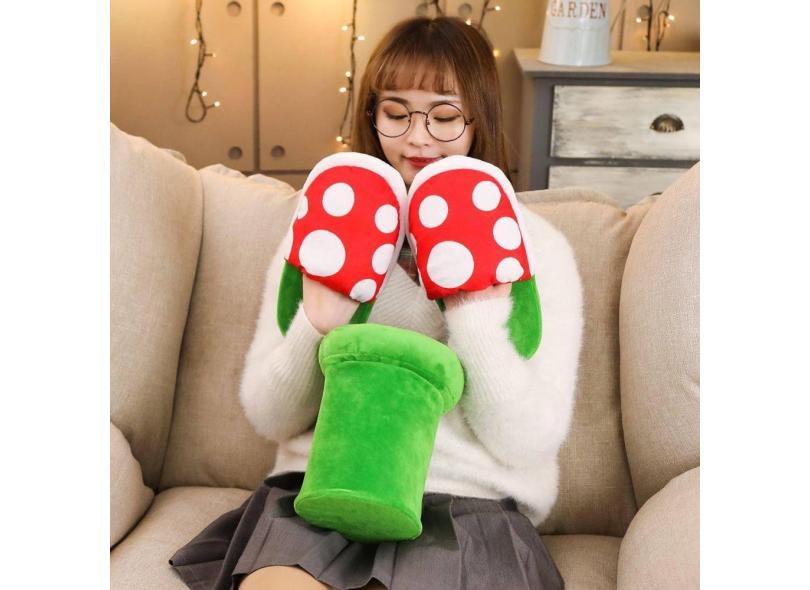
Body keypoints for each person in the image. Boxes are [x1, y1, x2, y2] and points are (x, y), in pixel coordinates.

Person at [169, 15, 583, 590]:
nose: (417, 138)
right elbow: (269, 416)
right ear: (372, 116)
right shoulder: (325, 231)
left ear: (479, 119)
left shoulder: (537, 248)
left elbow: (528, 442)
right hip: (325, 489)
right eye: (396, 113)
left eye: (444, 116)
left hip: (468, 505)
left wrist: (476, 321)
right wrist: (315, 326)